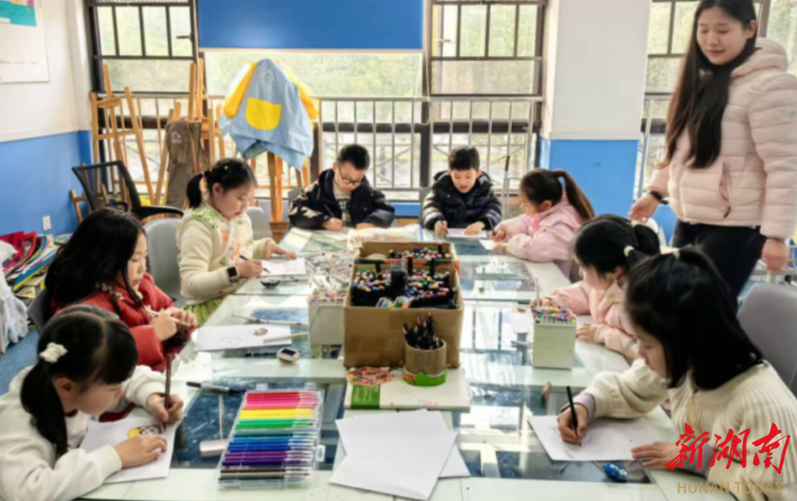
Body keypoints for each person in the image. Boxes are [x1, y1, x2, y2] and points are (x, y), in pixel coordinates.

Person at [558, 250, 797, 500]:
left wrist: (705, 460)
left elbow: (773, 494)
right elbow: (628, 388)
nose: (640, 352)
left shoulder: (762, 406)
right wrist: (586, 404)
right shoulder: (686, 366)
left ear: (685, 340)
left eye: (647, 344)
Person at [629, 0, 797, 299]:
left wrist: (776, 235)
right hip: (690, 219)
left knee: (703, 311)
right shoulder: (704, 81)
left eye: (722, 30)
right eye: (703, 29)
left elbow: (786, 166)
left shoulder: (772, 86)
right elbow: (682, 149)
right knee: (677, 307)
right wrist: (655, 193)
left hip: (735, 227)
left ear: (750, 29)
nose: (710, 40)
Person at [0, 307, 184, 501]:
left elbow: (128, 378)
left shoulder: (74, 377)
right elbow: (28, 493)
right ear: (67, 387)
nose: (121, 392)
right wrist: (115, 457)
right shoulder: (20, 424)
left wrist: (153, 397)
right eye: (113, 388)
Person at [46, 209, 197, 372]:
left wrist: (177, 324)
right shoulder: (83, 311)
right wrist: (153, 334)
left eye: (144, 257)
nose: (143, 268)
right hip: (134, 382)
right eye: (135, 259)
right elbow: (92, 361)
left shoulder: (140, 283)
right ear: (105, 260)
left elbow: (165, 306)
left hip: (165, 369)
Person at [178, 158, 296, 324]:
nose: (245, 206)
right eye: (241, 198)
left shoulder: (234, 215)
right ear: (217, 190)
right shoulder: (198, 225)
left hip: (237, 299)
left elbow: (232, 253)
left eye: (249, 199)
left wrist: (264, 247)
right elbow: (191, 284)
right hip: (209, 308)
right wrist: (237, 272)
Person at [536, 216, 661, 362]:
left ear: (615, 271)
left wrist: (604, 334)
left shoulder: (635, 308)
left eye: (584, 268)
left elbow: (648, 357)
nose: (580, 273)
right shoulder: (609, 283)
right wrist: (556, 301)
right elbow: (588, 291)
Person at [491, 169, 594, 276]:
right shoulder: (550, 210)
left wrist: (510, 245)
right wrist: (505, 230)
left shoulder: (561, 224)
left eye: (525, 204)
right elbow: (526, 221)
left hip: (561, 281)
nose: (522, 207)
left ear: (546, 205)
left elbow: (535, 249)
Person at [288, 144, 395, 230]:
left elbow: (386, 210)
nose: (351, 185)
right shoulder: (316, 190)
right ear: (335, 167)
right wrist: (324, 221)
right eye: (347, 178)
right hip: (327, 245)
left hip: (356, 244)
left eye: (357, 180)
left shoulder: (367, 191)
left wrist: (372, 223)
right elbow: (295, 210)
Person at [421, 146, 502, 236]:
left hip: (475, 238)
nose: (463, 182)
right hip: (446, 238)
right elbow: (430, 208)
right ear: (450, 173)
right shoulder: (441, 188)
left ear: (478, 173)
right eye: (457, 177)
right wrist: (436, 221)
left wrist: (482, 223)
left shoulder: (485, 190)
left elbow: (495, 209)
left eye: (468, 176)